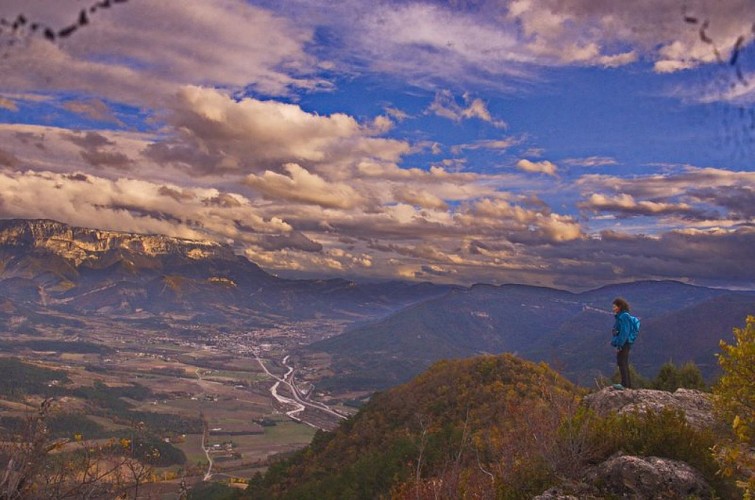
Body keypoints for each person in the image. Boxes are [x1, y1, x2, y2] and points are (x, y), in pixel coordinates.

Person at [610, 297, 633, 389]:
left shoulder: (624, 316)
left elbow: (624, 332)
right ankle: (627, 385)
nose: (613, 308)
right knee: (623, 362)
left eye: (614, 306)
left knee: (621, 362)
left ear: (619, 307)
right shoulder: (621, 316)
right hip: (625, 342)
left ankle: (624, 384)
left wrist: (620, 344)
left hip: (624, 343)